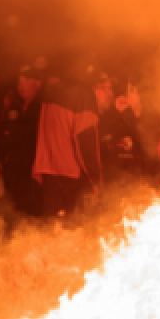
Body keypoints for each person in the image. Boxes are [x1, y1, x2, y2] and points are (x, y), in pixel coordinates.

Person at [32, 81, 102, 217]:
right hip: (71, 176)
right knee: (77, 228)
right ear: (96, 88)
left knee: (54, 227)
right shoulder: (84, 95)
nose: (111, 93)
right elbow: (85, 140)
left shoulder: (51, 91)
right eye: (106, 87)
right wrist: (94, 178)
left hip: (48, 172)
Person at [0, 66, 45, 216]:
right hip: (16, 170)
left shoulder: (40, 108)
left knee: (30, 213)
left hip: (31, 171)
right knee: (18, 211)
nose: (21, 86)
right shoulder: (17, 107)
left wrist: (10, 132)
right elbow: (3, 136)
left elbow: (23, 135)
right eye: (19, 82)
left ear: (37, 84)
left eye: (25, 82)